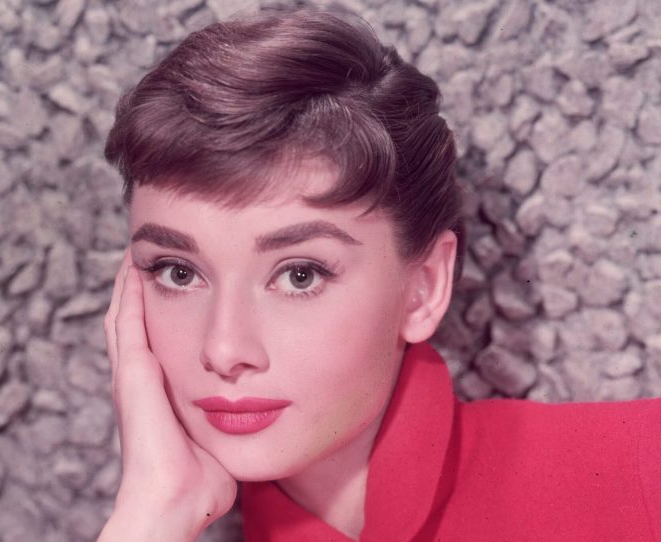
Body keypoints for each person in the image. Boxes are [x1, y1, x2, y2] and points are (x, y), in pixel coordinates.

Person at [96, 5, 661, 541]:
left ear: (425, 289)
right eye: (177, 272)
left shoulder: (641, 470)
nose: (223, 350)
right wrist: (152, 513)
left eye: (299, 275)